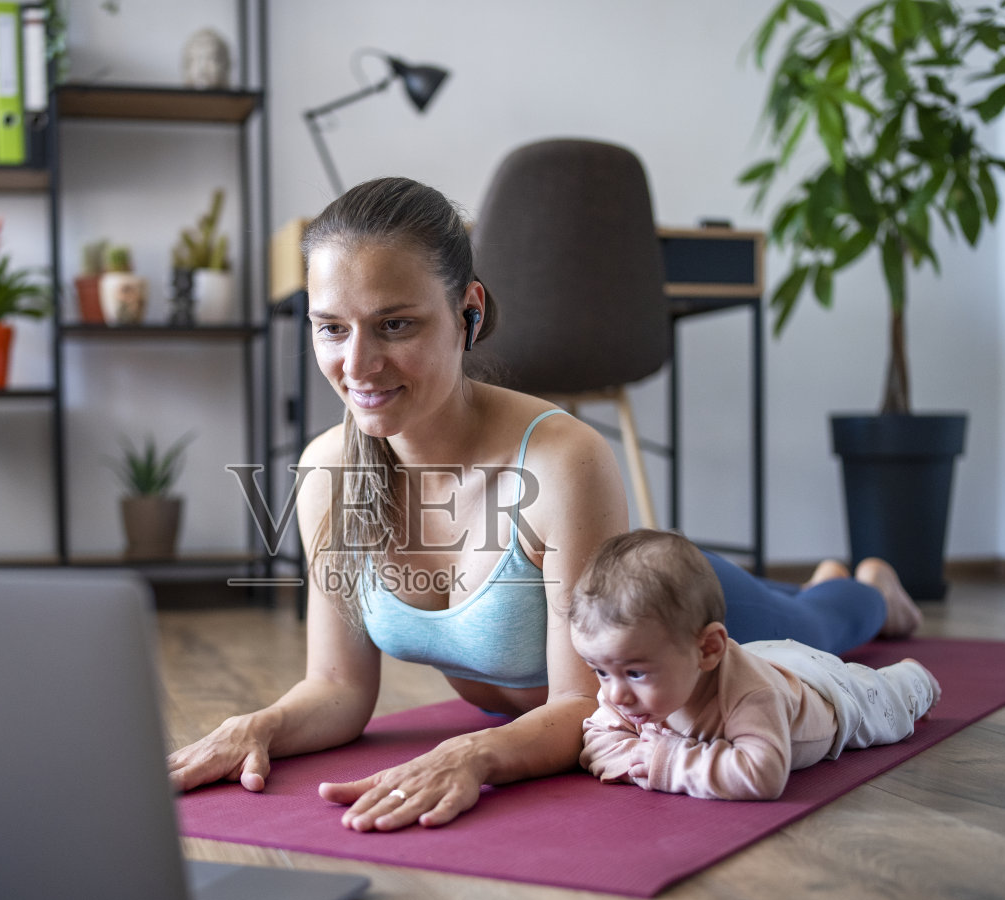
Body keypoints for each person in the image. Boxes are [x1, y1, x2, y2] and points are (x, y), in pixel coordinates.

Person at [166, 175, 923, 831]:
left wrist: (475, 752)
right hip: (539, 713)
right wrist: (254, 724)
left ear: (467, 309)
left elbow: (587, 701)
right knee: (818, 605)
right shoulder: (327, 471)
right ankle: (835, 580)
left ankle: (866, 587)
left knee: (825, 622)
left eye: (396, 324)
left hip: (692, 625)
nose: (357, 364)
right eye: (332, 329)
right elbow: (338, 689)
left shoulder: (562, 460)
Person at [572, 529, 940, 801]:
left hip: (825, 688)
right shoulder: (626, 684)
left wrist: (667, 763)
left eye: (635, 673)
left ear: (707, 650)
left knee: (886, 702)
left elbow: (763, 773)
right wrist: (641, 757)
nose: (614, 693)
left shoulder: (751, 694)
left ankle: (914, 678)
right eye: (599, 671)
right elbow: (595, 743)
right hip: (764, 655)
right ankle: (825, 583)